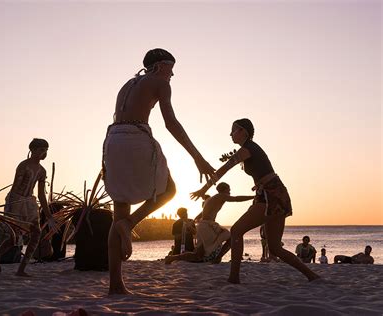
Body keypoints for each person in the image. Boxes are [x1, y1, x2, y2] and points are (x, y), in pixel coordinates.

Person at [102, 48, 216, 294]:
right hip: (136, 137)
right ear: (160, 65)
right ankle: (130, 223)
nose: (172, 74)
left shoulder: (128, 84)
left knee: (119, 209)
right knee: (170, 190)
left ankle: (116, 285)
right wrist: (198, 157)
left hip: (113, 139)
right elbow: (170, 122)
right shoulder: (160, 83)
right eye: (171, 68)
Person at [191, 118, 320, 284]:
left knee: (237, 231)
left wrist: (203, 189)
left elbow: (223, 170)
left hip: (270, 194)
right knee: (274, 247)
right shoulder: (250, 149)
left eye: (234, 130)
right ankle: (312, 276)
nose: (230, 134)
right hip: (274, 193)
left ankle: (233, 278)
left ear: (244, 131)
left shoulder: (248, 148)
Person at [0, 138, 57, 277]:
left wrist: (49, 215)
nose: (44, 153)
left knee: (36, 234)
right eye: (41, 149)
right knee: (14, 237)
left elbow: (41, 194)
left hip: (30, 203)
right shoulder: (23, 165)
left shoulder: (42, 171)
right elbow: (15, 187)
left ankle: (22, 268)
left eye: (46, 150)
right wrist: (13, 207)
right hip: (16, 201)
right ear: (32, 150)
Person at [166, 182, 253, 264]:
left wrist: (193, 221)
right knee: (231, 238)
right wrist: (253, 197)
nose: (230, 192)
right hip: (207, 226)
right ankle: (218, 258)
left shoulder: (211, 199)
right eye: (229, 190)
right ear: (224, 190)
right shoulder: (221, 196)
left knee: (198, 255)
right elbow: (236, 199)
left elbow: (201, 214)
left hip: (202, 226)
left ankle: (172, 258)